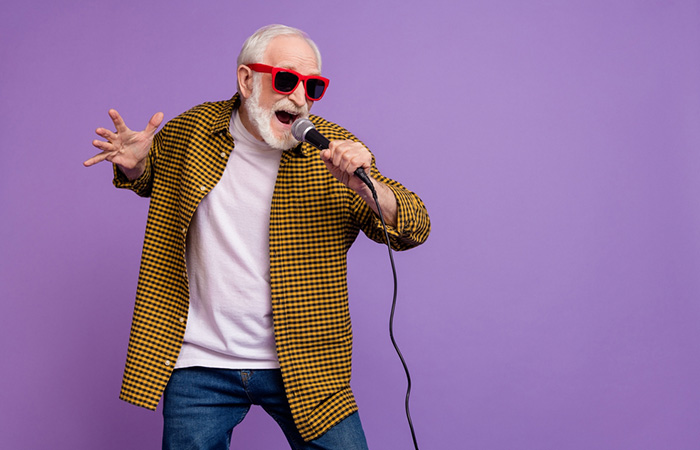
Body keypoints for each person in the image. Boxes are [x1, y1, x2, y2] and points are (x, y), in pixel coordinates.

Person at [84, 24, 430, 450]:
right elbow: (151, 176)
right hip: (200, 363)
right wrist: (135, 166)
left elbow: (414, 226)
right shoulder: (192, 133)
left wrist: (366, 186)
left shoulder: (334, 154)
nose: (300, 98)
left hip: (304, 363)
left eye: (313, 86)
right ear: (247, 80)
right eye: (286, 80)